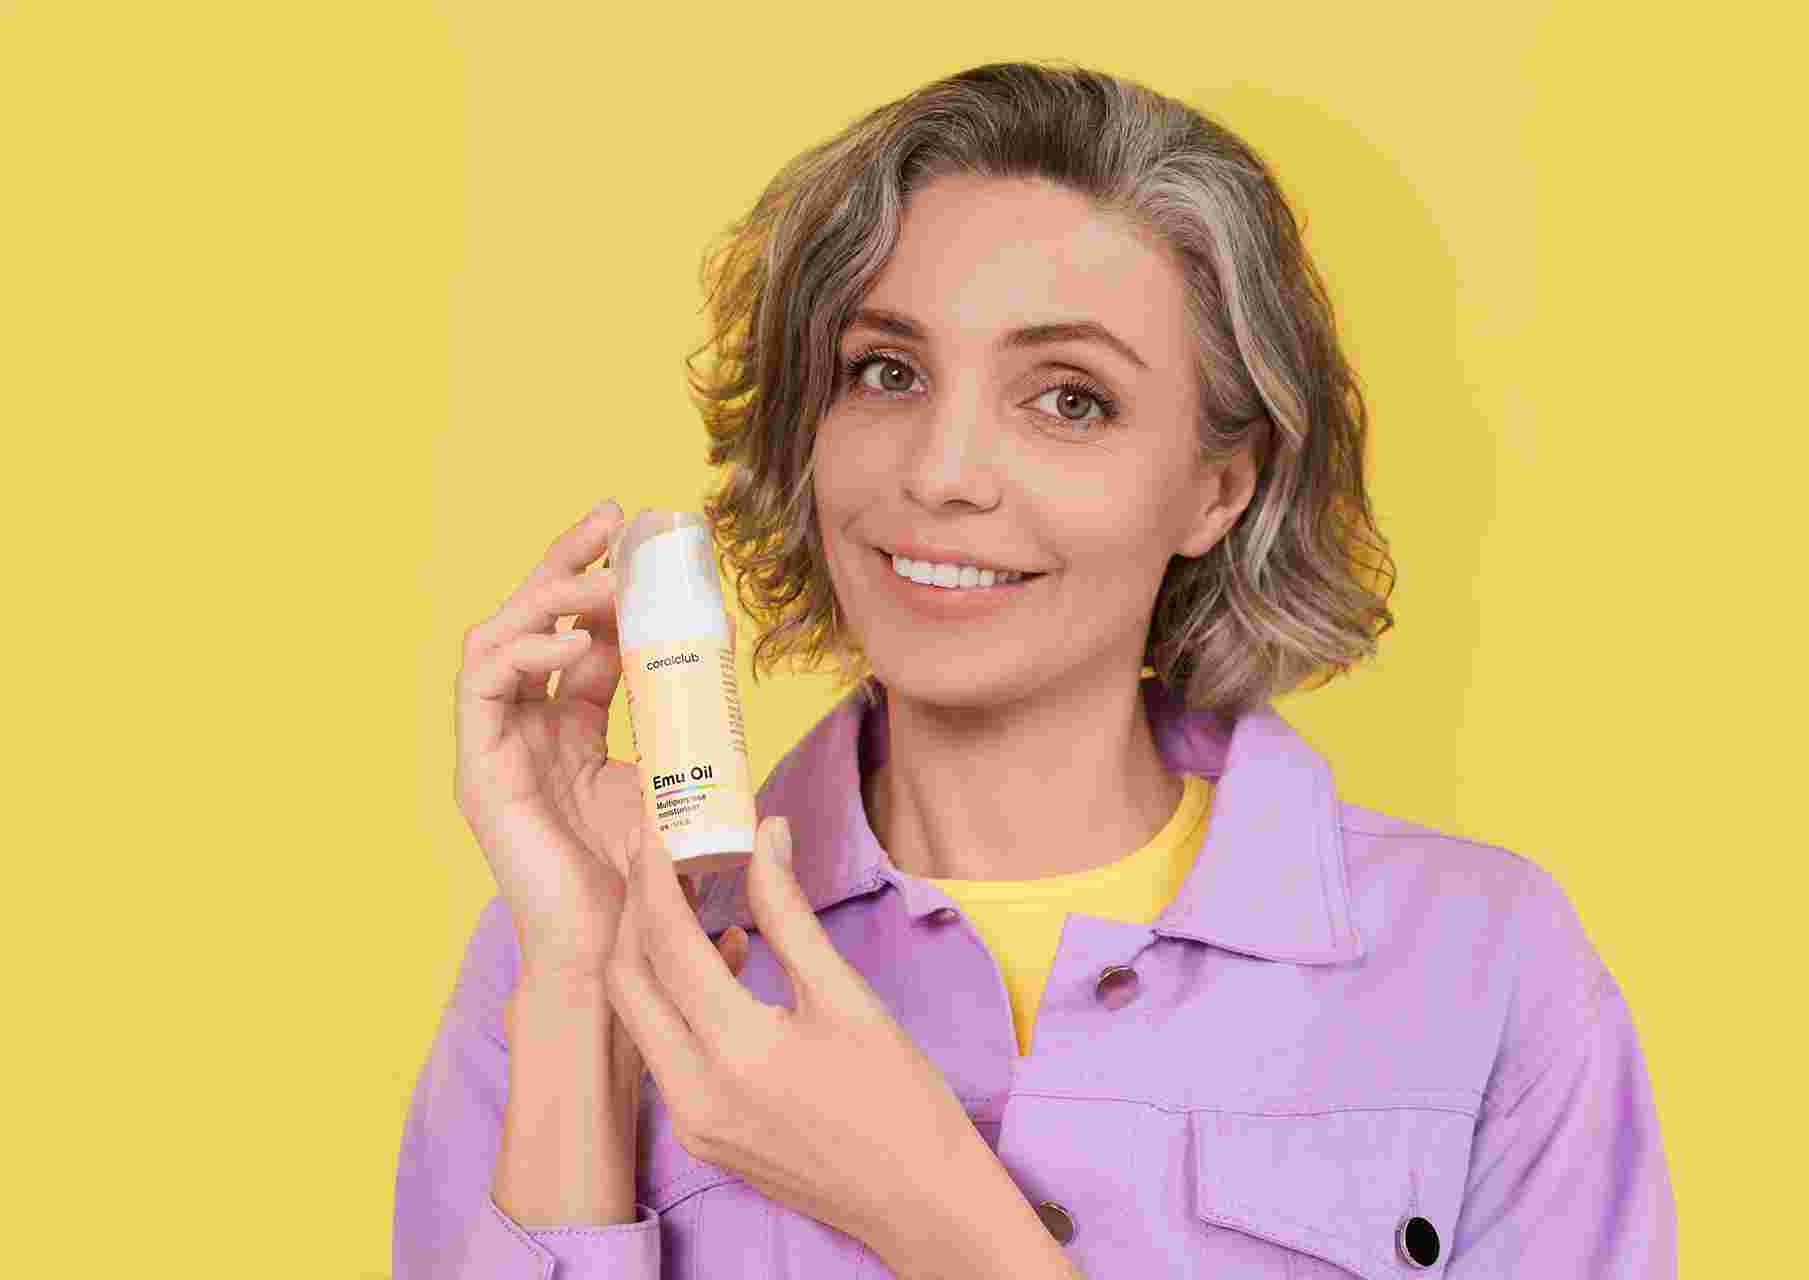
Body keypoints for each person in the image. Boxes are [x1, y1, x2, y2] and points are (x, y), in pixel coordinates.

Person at [394, 60, 1677, 1279]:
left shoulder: (1484, 961)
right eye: (887, 372)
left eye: (1070, 398)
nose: (942, 471)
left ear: (1217, 489)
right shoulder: (589, 935)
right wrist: (577, 987)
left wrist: (934, 1214)